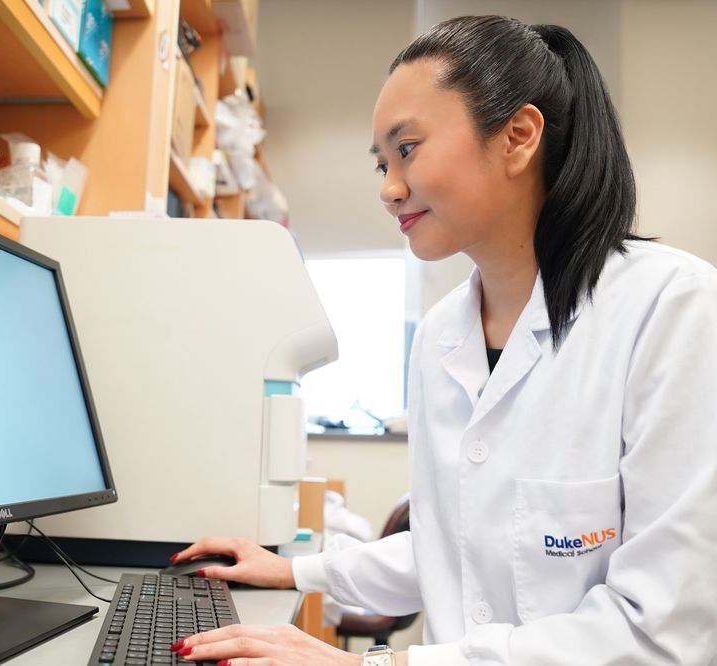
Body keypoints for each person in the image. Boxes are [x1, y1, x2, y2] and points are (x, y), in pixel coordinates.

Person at [166, 15, 717, 666]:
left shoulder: (672, 308)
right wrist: (297, 572)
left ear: (518, 137)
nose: (388, 188)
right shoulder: (440, 338)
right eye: (381, 162)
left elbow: (660, 632)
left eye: (406, 149)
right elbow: (447, 545)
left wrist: (371, 664)